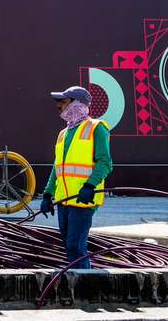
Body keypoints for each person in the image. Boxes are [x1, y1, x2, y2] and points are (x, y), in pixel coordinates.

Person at [39, 85, 113, 269]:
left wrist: (90, 185)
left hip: (83, 199)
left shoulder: (96, 128)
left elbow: (105, 162)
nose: (58, 106)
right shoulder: (63, 133)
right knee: (69, 246)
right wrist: (48, 194)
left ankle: (84, 283)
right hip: (64, 200)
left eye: (63, 102)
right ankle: (80, 279)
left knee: (75, 247)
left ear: (77, 104)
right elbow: (57, 167)